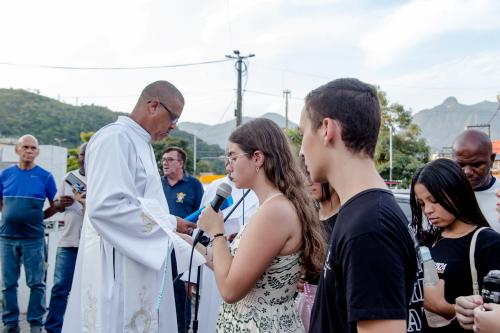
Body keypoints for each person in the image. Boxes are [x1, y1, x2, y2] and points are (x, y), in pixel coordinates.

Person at [62, 81, 197, 333]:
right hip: (117, 266)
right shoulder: (115, 138)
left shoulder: (140, 142)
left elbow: (141, 202)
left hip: (137, 259)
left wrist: (169, 224)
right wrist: (169, 223)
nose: (173, 126)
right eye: (173, 117)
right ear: (154, 105)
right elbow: (106, 206)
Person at [299, 78, 423, 333]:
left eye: (303, 135)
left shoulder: (369, 228)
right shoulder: (360, 212)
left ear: (326, 129)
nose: (301, 150)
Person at [197, 118, 326, 332]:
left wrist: (217, 232)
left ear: (257, 158)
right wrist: (190, 245)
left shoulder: (275, 211)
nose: (228, 166)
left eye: (232, 156)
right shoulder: (274, 205)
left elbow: (230, 290)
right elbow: (234, 268)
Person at [410, 158, 500, 332]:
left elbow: (492, 317)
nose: (428, 210)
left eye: (434, 200)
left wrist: (442, 307)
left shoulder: (487, 243)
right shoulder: (426, 242)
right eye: (422, 204)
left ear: (457, 193)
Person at [0, 134, 73, 333]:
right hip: (7, 237)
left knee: (36, 283)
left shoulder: (45, 176)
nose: (29, 151)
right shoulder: (5, 175)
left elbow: (55, 205)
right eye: (26, 147)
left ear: (37, 152)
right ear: (17, 149)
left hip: (33, 238)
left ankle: (35, 324)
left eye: (33, 148)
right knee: (8, 284)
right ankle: (10, 323)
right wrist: (9, 214)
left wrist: (47, 212)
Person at [160, 146, 204, 333]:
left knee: (181, 293)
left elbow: (203, 217)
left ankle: (181, 329)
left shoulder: (193, 184)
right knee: (161, 291)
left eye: (170, 159)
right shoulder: (157, 184)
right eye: (163, 160)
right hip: (159, 245)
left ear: (181, 163)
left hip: (182, 247)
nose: (165, 163)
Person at [44, 143, 87, 333]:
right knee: (61, 287)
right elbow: (56, 206)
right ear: (78, 157)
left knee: (88, 288)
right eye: (81, 155)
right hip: (69, 241)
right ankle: (53, 328)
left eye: (88, 154)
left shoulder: (102, 178)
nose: (84, 158)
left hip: (91, 243)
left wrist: (85, 199)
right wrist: (61, 203)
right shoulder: (69, 178)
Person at [296, 179, 340, 331]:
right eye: (304, 175)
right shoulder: (305, 218)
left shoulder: (346, 221)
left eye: (314, 177)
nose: (308, 182)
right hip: (302, 309)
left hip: (331, 312)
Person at [452, 129, 500, 232]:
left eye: (476, 164)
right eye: (461, 165)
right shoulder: (445, 194)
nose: (467, 172)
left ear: (491, 159)